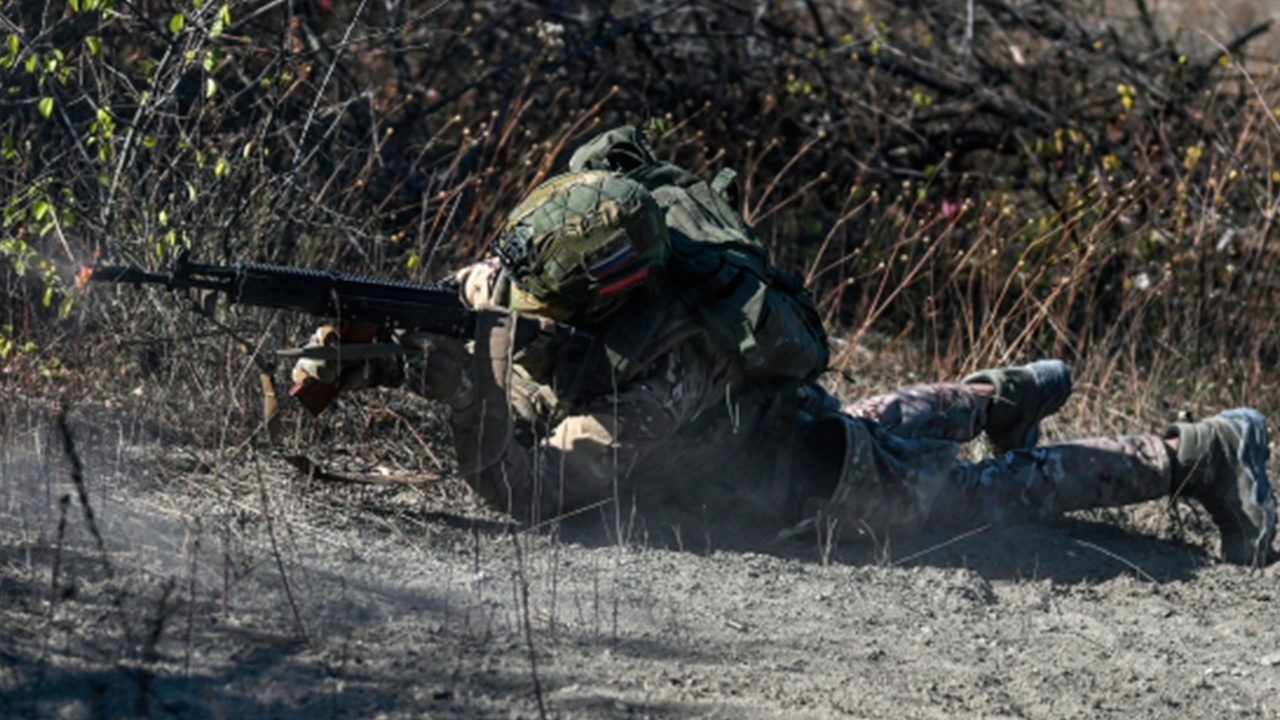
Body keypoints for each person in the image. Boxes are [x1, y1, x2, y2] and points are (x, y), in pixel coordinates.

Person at [291, 127, 1277, 567]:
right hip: (799, 418)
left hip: (817, 484)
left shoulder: (672, 364)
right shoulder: (559, 260)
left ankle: (1197, 455)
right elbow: (485, 317)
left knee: (991, 493)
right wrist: (379, 346)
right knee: (887, 414)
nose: (518, 297)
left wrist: (460, 396)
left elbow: (538, 493)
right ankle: (998, 392)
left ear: (603, 291)